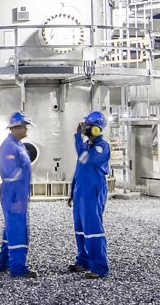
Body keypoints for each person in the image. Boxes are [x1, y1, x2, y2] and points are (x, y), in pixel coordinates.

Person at [67, 110, 111, 279]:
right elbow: (79, 171)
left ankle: (99, 267)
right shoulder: (86, 146)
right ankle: (83, 260)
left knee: (93, 229)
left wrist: (77, 138)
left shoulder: (102, 147)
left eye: (87, 125)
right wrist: (72, 193)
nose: (84, 127)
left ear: (96, 129)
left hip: (93, 192)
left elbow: (87, 159)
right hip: (81, 193)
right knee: (80, 229)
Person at [0, 111, 38, 278]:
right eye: (25, 126)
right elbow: (10, 173)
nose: (27, 129)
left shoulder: (18, 144)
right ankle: (18, 268)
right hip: (14, 194)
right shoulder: (9, 146)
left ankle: (4, 263)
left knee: (11, 229)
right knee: (17, 230)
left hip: (18, 194)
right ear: (17, 128)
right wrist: (18, 196)